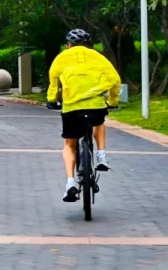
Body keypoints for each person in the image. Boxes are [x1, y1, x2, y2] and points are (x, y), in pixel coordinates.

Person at [47, 29, 121, 203]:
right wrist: (113, 100)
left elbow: (53, 81)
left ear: (68, 45)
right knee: (100, 122)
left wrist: (51, 100)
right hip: (95, 106)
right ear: (89, 44)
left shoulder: (61, 58)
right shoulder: (99, 58)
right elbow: (114, 79)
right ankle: (101, 154)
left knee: (69, 144)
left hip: (71, 108)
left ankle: (70, 182)